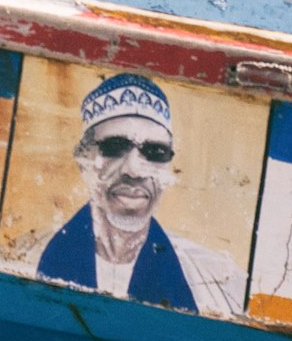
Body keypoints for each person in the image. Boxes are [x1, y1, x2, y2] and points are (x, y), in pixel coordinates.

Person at [23, 73, 243, 317]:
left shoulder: (217, 281)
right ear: (84, 159)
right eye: (115, 148)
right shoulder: (28, 257)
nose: (134, 170)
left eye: (155, 152)